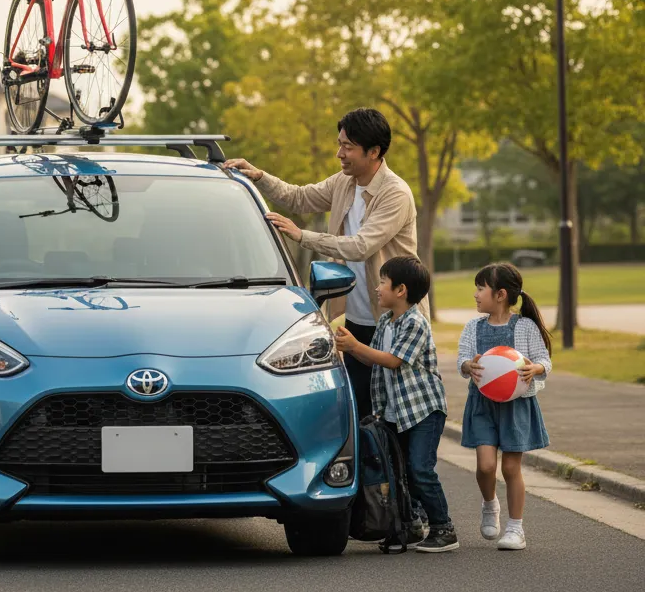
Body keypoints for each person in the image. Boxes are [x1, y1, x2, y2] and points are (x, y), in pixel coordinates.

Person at [224, 107, 422, 418]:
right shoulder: (345, 182)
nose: (339, 153)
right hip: (357, 320)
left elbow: (360, 246)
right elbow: (300, 197)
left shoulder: (394, 194)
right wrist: (259, 176)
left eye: (348, 147)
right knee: (361, 416)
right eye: (339, 143)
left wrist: (302, 236)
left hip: (393, 321)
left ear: (374, 152)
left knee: (398, 417)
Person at [335, 256, 458, 552]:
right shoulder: (385, 322)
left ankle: (444, 528)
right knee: (399, 472)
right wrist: (348, 348)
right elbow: (371, 359)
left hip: (422, 411)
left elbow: (393, 361)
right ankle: (411, 525)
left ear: (400, 290)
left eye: (382, 282)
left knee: (420, 469)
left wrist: (355, 346)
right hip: (395, 412)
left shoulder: (414, 323)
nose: (377, 288)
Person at [457, 262, 551, 551]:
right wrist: (467, 365)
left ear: (499, 294)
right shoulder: (473, 327)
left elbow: (544, 361)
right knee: (486, 466)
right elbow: (462, 359)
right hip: (482, 405)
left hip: (516, 406)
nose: (475, 294)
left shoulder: (525, 326)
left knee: (511, 468)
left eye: (480, 288)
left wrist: (535, 369)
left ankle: (515, 528)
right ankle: (489, 504)